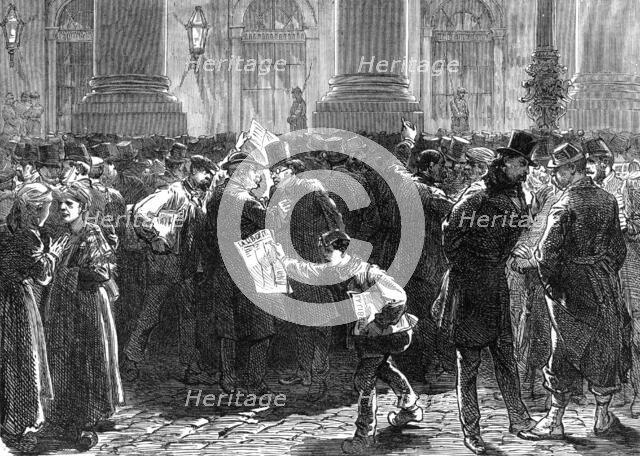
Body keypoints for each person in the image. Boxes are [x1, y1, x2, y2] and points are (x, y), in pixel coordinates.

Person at [270, 229, 421, 454]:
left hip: (387, 335)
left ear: (342, 250)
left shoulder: (367, 273)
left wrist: (378, 323)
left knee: (364, 379)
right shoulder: (334, 270)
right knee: (383, 369)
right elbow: (307, 270)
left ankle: (363, 436)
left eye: (327, 249)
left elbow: (399, 298)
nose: (322, 253)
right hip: (369, 338)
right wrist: (281, 258)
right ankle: (409, 405)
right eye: (321, 248)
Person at [519, 143, 631, 440]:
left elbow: (546, 253)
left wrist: (553, 287)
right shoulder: (608, 200)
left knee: (564, 348)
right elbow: (617, 248)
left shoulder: (564, 204)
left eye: (557, 171)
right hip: (602, 282)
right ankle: (602, 415)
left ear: (571, 171)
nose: (554, 176)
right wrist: (603, 272)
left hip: (570, 285)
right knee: (604, 344)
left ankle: (554, 419)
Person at [441, 130, 538, 454]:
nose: (526, 171)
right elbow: (450, 234)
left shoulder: (518, 197)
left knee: (506, 357)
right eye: (522, 164)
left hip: (496, 285)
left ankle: (519, 420)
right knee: (468, 364)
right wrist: (467, 268)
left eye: (527, 165)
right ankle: (471, 430)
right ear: (505, 162)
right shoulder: (477, 195)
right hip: (470, 288)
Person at [43, 183, 123, 451]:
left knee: (89, 358)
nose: (63, 208)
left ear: (83, 208)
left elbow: (102, 272)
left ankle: (89, 416)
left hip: (88, 304)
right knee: (70, 359)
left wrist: (66, 275)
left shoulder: (91, 232)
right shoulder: (65, 235)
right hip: (69, 305)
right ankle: (74, 413)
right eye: (61, 204)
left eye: (70, 204)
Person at [125, 155, 218, 385]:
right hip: (166, 265)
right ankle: (131, 359)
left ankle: (190, 367)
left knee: (188, 315)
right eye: (206, 172)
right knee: (151, 313)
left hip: (188, 266)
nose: (209, 178)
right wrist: (154, 235)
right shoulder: (173, 192)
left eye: (211, 174)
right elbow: (140, 212)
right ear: (194, 170)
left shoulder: (201, 199)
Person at [265, 139, 344, 401]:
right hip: (293, 263)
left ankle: (318, 375)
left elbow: (335, 221)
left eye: (280, 172)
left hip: (315, 262)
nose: (275, 176)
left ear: (293, 171)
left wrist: (333, 253)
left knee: (319, 320)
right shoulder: (281, 195)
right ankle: (304, 370)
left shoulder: (311, 187)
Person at [0, 184, 66, 452]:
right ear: (38, 208)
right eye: (48, 207)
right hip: (17, 300)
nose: (50, 212)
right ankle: (20, 425)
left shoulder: (6, 229)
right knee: (24, 359)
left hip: (2, 298)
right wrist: (55, 253)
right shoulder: (29, 236)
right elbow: (43, 274)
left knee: (7, 359)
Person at [204, 151, 275, 395]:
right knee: (260, 325)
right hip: (249, 266)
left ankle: (229, 380)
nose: (258, 177)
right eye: (255, 172)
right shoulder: (246, 200)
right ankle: (254, 381)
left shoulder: (216, 197)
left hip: (223, 266)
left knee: (228, 326)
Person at [404, 149, 454, 378]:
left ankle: (410, 364)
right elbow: (458, 214)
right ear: (430, 165)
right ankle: (425, 366)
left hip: (403, 262)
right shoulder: (432, 194)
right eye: (441, 165)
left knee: (408, 313)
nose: (444, 170)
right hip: (428, 264)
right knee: (428, 316)